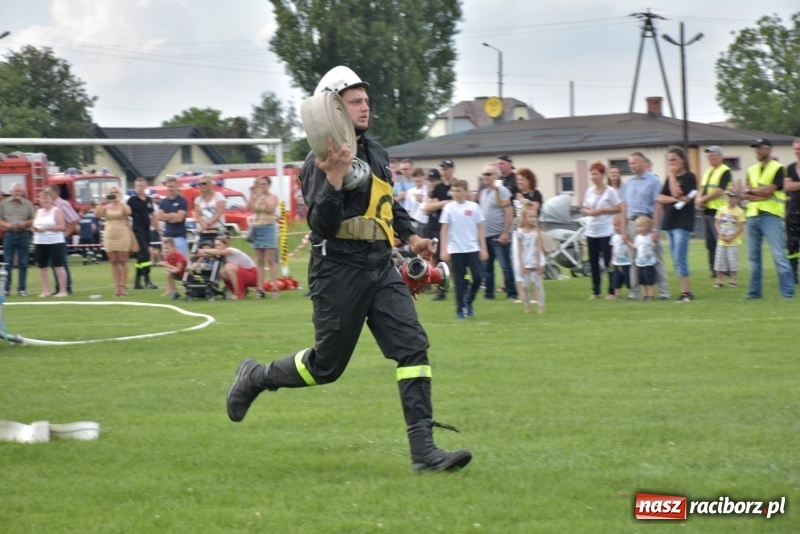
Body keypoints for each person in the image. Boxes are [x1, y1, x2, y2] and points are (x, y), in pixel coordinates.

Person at [224, 65, 471, 473]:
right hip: (337, 270)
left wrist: (412, 238)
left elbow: (387, 206)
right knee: (326, 367)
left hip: (380, 266)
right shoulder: (317, 162)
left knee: (413, 347)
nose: (365, 107)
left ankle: (424, 452)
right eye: (355, 101)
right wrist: (335, 178)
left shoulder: (377, 153)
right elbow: (321, 224)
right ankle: (256, 377)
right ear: (333, 109)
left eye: (366, 101)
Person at [741, 139, 794, 299]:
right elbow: (745, 194)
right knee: (753, 257)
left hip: (771, 215)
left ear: (768, 149)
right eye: (755, 148)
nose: (757, 151)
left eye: (759, 148)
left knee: (779, 255)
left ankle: (787, 293)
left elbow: (768, 192)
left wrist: (754, 192)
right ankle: (754, 293)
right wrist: (758, 194)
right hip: (753, 215)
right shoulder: (751, 170)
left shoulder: (778, 168)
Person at [618, 152, 669, 300]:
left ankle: (663, 292)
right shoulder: (628, 183)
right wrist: (623, 229)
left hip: (648, 222)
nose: (631, 166)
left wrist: (655, 228)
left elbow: (658, 205)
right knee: (633, 258)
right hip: (632, 222)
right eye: (630, 163)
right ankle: (635, 292)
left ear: (642, 163)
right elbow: (624, 207)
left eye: (633, 163)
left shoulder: (654, 181)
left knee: (655, 258)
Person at [439, 179, 487, 319]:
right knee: (459, 281)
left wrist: (483, 248)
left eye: (459, 191)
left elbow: (480, 228)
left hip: (472, 248)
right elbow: (444, 229)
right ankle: (460, 309)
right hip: (456, 249)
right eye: (454, 191)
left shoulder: (474, 207)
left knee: (478, 277)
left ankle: (469, 300)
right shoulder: (449, 208)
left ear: (466, 192)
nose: (456, 193)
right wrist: (443, 249)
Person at [655, 147, 697, 302]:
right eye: (669, 161)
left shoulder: (689, 177)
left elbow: (677, 192)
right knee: (675, 258)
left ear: (683, 160)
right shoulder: (669, 179)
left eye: (674, 160)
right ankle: (684, 290)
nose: (671, 163)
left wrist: (672, 176)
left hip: (683, 223)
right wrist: (675, 199)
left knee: (680, 257)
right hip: (670, 222)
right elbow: (660, 198)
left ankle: (686, 292)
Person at [580, 161, 621, 299]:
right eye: (591, 174)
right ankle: (596, 291)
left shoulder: (610, 191)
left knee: (608, 261)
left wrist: (604, 210)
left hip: (606, 231)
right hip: (591, 231)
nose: (593, 176)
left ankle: (612, 290)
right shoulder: (589, 191)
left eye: (596, 174)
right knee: (593, 262)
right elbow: (584, 207)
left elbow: (619, 207)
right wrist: (589, 212)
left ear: (602, 175)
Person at [478, 163, 517, 301]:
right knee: (487, 267)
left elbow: (509, 212)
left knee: (505, 265)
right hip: (486, 235)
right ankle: (489, 294)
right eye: (484, 174)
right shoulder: (484, 192)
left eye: (488, 174)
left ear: (496, 176)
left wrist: (505, 232)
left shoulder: (502, 191)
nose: (485, 177)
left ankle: (511, 293)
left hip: (498, 235)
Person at [696, 146, 733, 278]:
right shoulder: (708, 172)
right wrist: (699, 200)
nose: (710, 157)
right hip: (708, 210)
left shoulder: (725, 171)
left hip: (721, 211)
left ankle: (727, 270)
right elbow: (702, 188)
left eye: (713, 155)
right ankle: (715, 270)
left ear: (720, 156)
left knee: (722, 241)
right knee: (710, 243)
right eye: (709, 155)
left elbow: (719, 190)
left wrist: (702, 199)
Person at [424, 161, 454, 301]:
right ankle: (438, 287)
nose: (444, 171)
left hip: (449, 227)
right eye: (442, 169)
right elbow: (427, 208)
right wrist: (444, 203)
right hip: (434, 226)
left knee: (446, 258)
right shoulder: (438, 188)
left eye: (446, 169)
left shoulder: (456, 186)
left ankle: (445, 286)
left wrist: (438, 205)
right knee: (434, 257)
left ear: (452, 170)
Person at [246, 175, 280, 299]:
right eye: (260, 184)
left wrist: (262, 197)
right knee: (260, 261)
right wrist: (252, 194)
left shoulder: (273, 197)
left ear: (269, 185)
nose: (262, 186)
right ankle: (260, 290)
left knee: (271, 260)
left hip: (269, 228)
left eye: (264, 184)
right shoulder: (256, 197)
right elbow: (248, 208)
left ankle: (275, 288)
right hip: (257, 228)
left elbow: (270, 208)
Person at [96, 185, 132, 297]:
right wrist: (101, 202)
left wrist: (120, 202)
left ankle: (122, 286)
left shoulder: (123, 206)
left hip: (122, 235)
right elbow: (97, 215)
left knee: (122, 260)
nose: (114, 194)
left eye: (116, 192)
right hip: (109, 236)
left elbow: (129, 212)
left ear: (119, 194)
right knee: (113, 261)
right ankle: (117, 286)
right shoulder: (106, 207)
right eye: (111, 193)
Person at [0, 182, 35, 296]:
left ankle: (22, 289)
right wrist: (6, 225)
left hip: (23, 234)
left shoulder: (28, 204)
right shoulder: (4, 204)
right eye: (16, 191)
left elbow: (33, 219)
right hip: (9, 235)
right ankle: (6, 289)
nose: (18, 193)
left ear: (23, 192)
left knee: (23, 263)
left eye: (20, 191)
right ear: (11, 192)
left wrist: (25, 223)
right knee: (7, 262)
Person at [197, 235, 257, 299]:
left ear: (225, 245)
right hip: (244, 274)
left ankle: (238, 293)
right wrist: (200, 254)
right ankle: (243, 290)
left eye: (218, 245)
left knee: (228, 267)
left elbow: (219, 252)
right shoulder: (221, 254)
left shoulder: (230, 250)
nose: (216, 247)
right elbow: (210, 255)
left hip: (253, 274)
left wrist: (204, 250)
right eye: (215, 245)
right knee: (221, 272)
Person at [32, 190, 68, 298]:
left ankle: (63, 290)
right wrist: (34, 229)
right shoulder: (38, 211)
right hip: (39, 242)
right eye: (43, 198)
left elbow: (62, 226)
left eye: (47, 198)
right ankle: (45, 290)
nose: (45, 200)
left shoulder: (56, 211)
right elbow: (33, 224)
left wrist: (47, 228)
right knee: (42, 267)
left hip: (55, 242)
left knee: (58, 266)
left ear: (51, 199)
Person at [48, 184, 79, 295]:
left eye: (49, 192)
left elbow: (74, 219)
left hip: (60, 238)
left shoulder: (63, 204)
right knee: (53, 263)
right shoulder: (50, 206)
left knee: (61, 263)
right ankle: (59, 287)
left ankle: (67, 287)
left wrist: (67, 233)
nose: (47, 195)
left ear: (55, 193)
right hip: (51, 238)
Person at [127, 177, 159, 290]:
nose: (139, 188)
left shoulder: (149, 200)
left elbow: (153, 215)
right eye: (137, 186)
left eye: (141, 186)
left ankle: (137, 281)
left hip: (147, 231)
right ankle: (147, 280)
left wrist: (158, 229)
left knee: (142, 256)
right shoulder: (132, 200)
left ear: (145, 186)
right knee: (145, 253)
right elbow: (126, 214)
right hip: (137, 231)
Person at [516, 202, 546, 314]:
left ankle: (541, 306)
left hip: (536, 261)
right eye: (531, 217)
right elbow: (519, 250)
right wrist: (521, 265)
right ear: (524, 217)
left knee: (538, 285)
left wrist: (539, 263)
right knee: (525, 287)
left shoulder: (536, 232)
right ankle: (528, 305)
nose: (534, 219)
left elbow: (539, 248)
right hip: (526, 262)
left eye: (535, 216)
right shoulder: (520, 232)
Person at [713, 190, 745, 289]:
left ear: (737, 199)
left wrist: (732, 237)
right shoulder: (722, 209)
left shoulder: (739, 211)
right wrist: (719, 233)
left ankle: (733, 281)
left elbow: (741, 226)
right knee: (719, 261)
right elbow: (717, 223)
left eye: (732, 197)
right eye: (729, 197)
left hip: (733, 241)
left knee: (733, 262)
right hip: (721, 241)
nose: (730, 199)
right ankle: (719, 281)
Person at [157, 176, 189, 258]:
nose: (170, 188)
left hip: (179, 237)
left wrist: (166, 216)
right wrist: (172, 215)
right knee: (168, 263)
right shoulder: (163, 201)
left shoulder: (182, 201)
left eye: (172, 186)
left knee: (181, 262)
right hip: (167, 237)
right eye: (168, 186)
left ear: (177, 186)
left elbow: (179, 218)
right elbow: (159, 217)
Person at [784, 138, 800, 284]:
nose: (798, 152)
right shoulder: (790, 168)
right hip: (794, 210)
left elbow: (792, 185)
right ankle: (793, 275)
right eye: (796, 149)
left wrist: (795, 185)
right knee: (792, 243)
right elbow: (787, 187)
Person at [632, 215, 657, 301]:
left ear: (647, 226)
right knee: (642, 281)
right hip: (640, 263)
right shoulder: (637, 237)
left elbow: (655, 247)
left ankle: (651, 295)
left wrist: (655, 242)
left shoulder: (650, 237)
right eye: (637, 226)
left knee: (649, 281)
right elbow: (635, 247)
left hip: (649, 263)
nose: (638, 228)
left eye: (641, 226)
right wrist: (627, 241)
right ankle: (645, 295)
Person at [609, 218, 631, 299]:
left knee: (628, 278)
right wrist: (612, 259)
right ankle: (617, 294)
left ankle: (631, 293)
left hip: (627, 262)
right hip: (617, 262)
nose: (614, 227)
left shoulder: (627, 235)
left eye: (617, 225)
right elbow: (613, 248)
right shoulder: (614, 237)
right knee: (616, 278)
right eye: (614, 225)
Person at [405, 168, 429, 237]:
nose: (417, 179)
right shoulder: (410, 192)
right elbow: (408, 210)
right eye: (415, 177)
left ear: (423, 177)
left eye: (419, 176)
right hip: (414, 222)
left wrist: (422, 200)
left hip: (425, 222)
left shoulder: (427, 189)